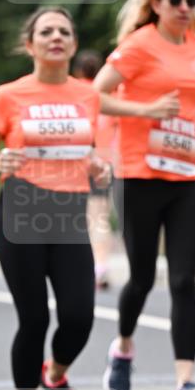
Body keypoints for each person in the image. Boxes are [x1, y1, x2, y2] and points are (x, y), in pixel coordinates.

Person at [94, 0, 195, 390]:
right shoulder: (138, 47)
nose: (185, 9)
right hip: (139, 174)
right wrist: (147, 109)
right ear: (155, 4)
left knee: (182, 280)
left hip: (188, 177)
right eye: (176, 0)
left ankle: (184, 383)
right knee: (140, 277)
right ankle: (124, 347)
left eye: (192, 2)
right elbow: (95, 96)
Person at [73, 49, 116, 290]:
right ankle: (101, 267)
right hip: (104, 163)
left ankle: (80, 268)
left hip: (76, 162)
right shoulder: (107, 95)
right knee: (100, 219)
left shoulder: (73, 93)